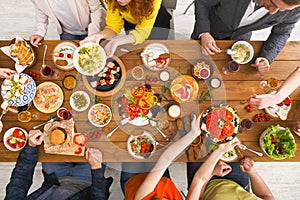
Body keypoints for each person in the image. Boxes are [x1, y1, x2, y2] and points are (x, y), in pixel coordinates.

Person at [191, 0, 300, 72]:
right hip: (211, 28)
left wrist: (267, 57)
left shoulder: (295, 10)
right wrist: (204, 32)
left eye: (281, 9)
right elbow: (202, 2)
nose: (272, 12)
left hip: (241, 39)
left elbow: (281, 33)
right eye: (273, 3)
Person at [5, 130, 113, 200]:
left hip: (56, 178)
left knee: (54, 133)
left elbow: (20, 179)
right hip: (86, 181)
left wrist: (31, 146)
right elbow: (99, 197)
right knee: (103, 140)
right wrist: (96, 168)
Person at [121, 114, 201, 199]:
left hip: (133, 180)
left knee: (131, 137)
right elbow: (200, 180)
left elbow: (165, 159)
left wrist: (192, 135)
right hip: (161, 180)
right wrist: (194, 134)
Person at [186, 140, 275, 200]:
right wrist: (251, 172)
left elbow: (198, 184)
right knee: (240, 137)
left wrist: (212, 172)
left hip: (205, 184)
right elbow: (267, 196)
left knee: (196, 141)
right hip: (238, 182)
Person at [80, 0, 172, 57]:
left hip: (156, 21)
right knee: (136, 51)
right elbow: (113, 27)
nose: (119, 0)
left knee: (156, 53)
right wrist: (98, 35)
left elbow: (142, 32)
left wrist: (117, 42)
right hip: (132, 22)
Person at [29, 0, 106, 47]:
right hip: (68, 32)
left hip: (95, 27)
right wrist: (40, 32)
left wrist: (93, 33)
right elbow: (41, 10)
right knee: (71, 63)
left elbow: (96, 9)